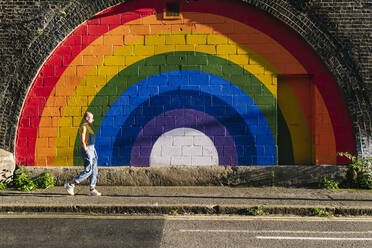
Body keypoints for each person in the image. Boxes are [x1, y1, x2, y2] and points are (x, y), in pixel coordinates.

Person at [64, 112, 102, 196]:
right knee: (89, 170)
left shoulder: (89, 127)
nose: (93, 119)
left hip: (92, 149)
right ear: (87, 118)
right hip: (88, 149)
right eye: (92, 118)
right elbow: (82, 140)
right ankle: (70, 184)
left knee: (94, 170)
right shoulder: (83, 127)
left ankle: (92, 189)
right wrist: (86, 151)